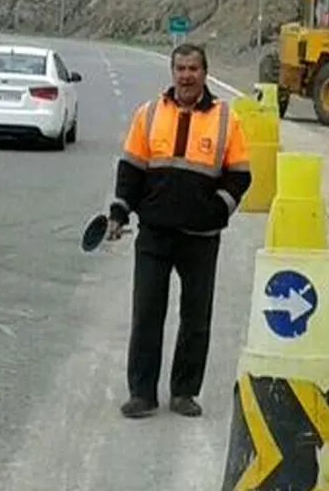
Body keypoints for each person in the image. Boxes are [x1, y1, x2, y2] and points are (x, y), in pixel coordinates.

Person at [106, 43, 252, 419]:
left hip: (200, 239)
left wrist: (217, 211)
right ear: (172, 73)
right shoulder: (149, 113)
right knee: (146, 315)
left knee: (196, 318)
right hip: (154, 234)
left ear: (205, 73)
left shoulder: (225, 119)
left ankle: (185, 392)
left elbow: (240, 175)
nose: (186, 75)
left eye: (194, 68)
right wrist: (119, 212)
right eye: (181, 68)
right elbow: (131, 169)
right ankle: (142, 394)